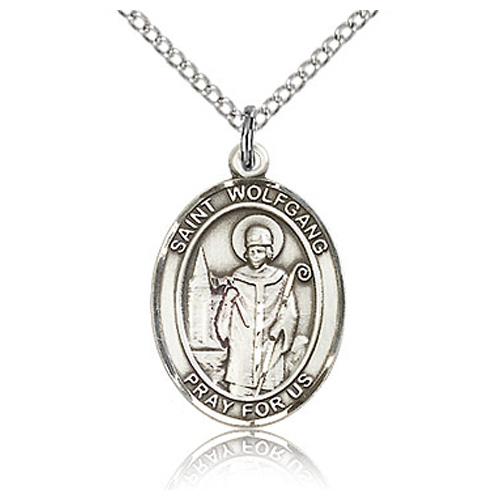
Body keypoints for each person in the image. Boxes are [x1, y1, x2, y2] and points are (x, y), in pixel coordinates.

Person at [215, 224, 298, 398]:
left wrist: (279, 329)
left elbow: (290, 312)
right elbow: (226, 314)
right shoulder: (238, 278)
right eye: (251, 251)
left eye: (259, 251)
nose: (255, 255)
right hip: (242, 352)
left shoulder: (280, 279)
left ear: (268, 252)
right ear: (246, 252)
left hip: (270, 351)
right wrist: (228, 301)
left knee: (270, 391)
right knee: (238, 393)